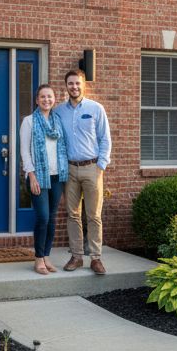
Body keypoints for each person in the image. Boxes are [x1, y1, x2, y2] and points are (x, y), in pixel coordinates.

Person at [55, 68, 111, 274]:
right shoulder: (59, 111)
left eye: (77, 83)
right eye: (70, 83)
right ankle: (77, 256)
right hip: (70, 169)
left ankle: (96, 258)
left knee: (94, 215)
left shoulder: (96, 109)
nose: (74, 87)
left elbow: (105, 138)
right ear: (66, 86)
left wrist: (101, 166)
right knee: (73, 214)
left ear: (84, 85)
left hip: (92, 168)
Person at [19, 84, 69, 274]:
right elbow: (24, 151)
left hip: (57, 176)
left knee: (52, 219)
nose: (46, 100)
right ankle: (38, 259)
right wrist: (31, 176)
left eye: (49, 97)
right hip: (38, 176)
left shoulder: (58, 121)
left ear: (54, 99)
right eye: (42, 97)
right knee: (43, 217)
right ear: (37, 100)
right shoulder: (29, 121)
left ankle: (46, 256)